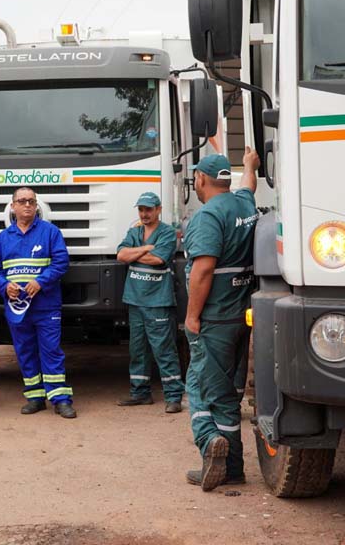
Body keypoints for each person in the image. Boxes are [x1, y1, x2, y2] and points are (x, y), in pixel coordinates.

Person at [183, 149, 260, 492]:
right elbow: (249, 185)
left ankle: (211, 441)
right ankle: (234, 468)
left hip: (215, 317)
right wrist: (250, 165)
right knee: (227, 391)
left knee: (200, 388)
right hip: (242, 316)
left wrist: (192, 316)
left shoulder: (207, 216)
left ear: (199, 179)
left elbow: (203, 269)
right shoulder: (244, 204)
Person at [0, 187, 75, 419]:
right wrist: (5, 286)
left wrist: (41, 281)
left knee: (51, 351)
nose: (27, 205)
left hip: (46, 306)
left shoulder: (50, 232)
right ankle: (35, 397)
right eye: (22, 201)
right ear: (12, 206)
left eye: (31, 201)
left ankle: (60, 399)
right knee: (25, 352)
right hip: (17, 308)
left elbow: (61, 262)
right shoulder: (4, 238)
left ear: (36, 206)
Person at [116, 191, 184, 413]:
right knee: (138, 349)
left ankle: (173, 396)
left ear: (158, 210)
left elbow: (158, 259)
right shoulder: (134, 231)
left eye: (148, 209)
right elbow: (120, 256)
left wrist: (133, 253)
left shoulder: (166, 233)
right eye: (141, 210)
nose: (144, 214)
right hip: (135, 300)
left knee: (164, 349)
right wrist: (144, 249)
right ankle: (140, 393)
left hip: (157, 300)